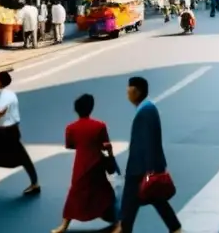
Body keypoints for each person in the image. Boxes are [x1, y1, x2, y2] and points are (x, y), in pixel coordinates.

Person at [115, 76, 182, 233]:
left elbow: (147, 142)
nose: (127, 94)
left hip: (139, 169)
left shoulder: (144, 112)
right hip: (147, 166)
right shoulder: (148, 108)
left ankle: (124, 229)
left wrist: (149, 170)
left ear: (137, 92)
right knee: (156, 199)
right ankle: (176, 228)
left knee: (129, 205)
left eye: (129, 90)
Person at [53, 94, 117, 233]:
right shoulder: (100, 126)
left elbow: (70, 145)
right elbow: (105, 144)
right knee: (104, 192)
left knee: (75, 192)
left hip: (81, 163)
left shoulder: (70, 128)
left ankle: (64, 225)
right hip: (97, 163)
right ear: (91, 108)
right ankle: (118, 222)